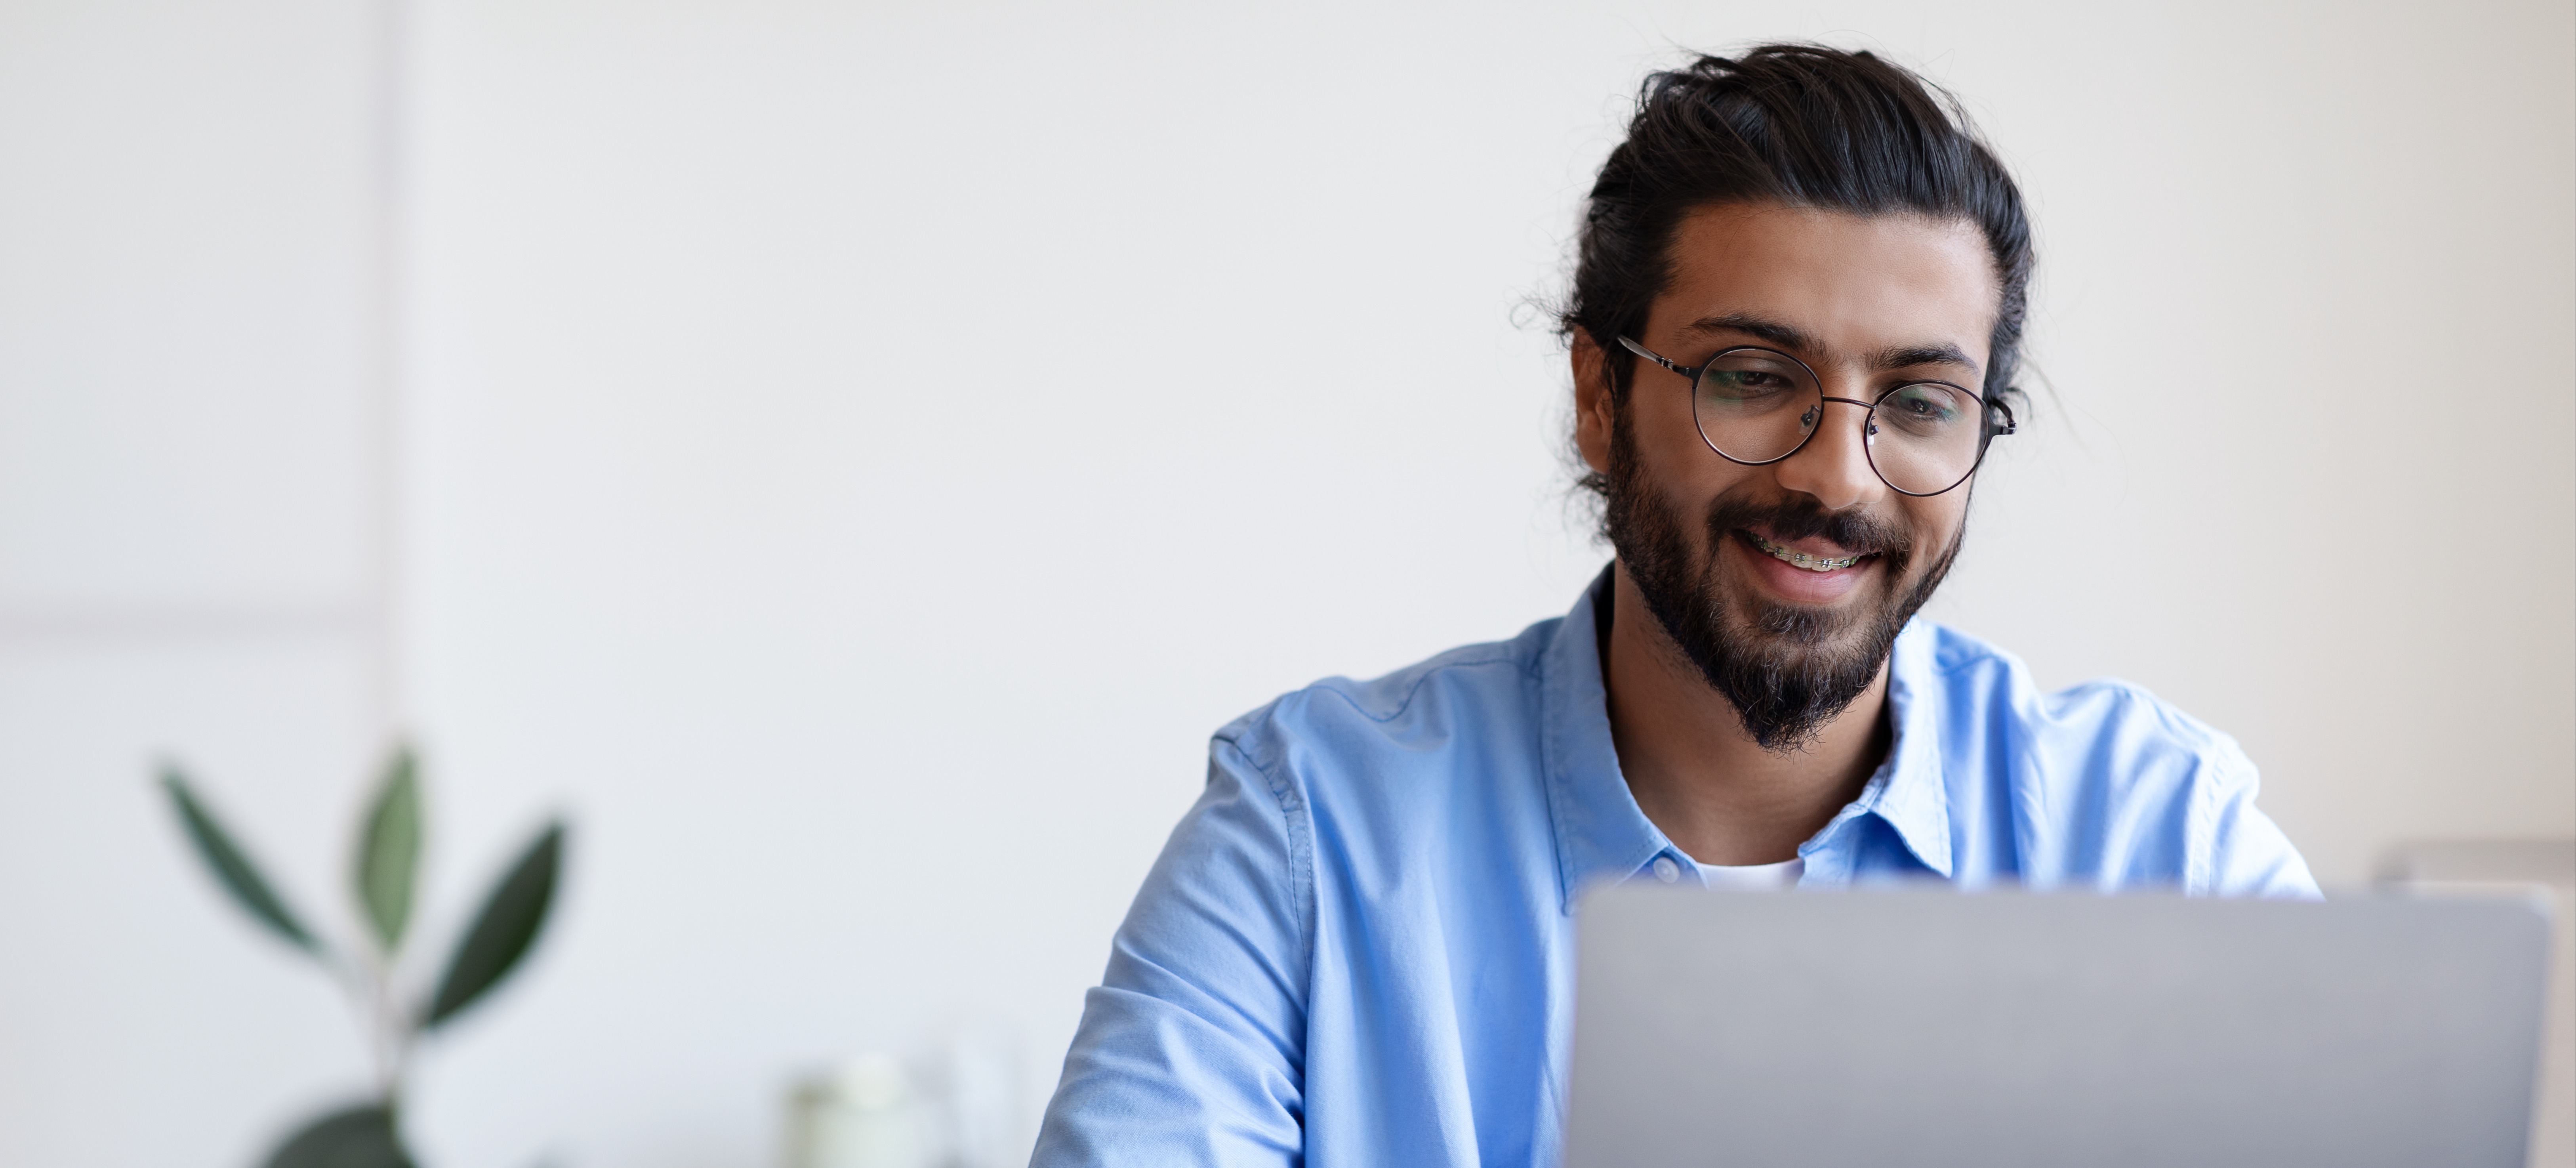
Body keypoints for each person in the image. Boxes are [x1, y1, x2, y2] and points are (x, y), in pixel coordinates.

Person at [1029, 44, 2317, 1168]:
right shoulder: (1310, 833)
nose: (1834, 474)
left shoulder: (2161, 840)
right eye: (1753, 376)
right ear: (1600, 395)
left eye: (1922, 402)